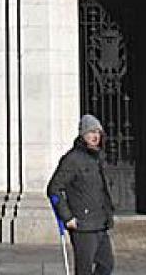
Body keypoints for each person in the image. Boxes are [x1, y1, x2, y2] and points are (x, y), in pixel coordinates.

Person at [47, 114, 117, 275]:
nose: (95, 136)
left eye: (98, 132)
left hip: (100, 222)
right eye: (91, 132)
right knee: (84, 269)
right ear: (83, 134)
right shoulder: (72, 159)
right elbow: (54, 188)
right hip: (83, 225)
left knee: (107, 265)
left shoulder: (97, 157)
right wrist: (67, 217)